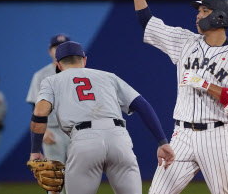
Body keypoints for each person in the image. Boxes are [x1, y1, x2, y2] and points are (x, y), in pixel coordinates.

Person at [129, 0, 228, 194]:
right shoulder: (186, 42)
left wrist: (214, 90)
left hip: (217, 136)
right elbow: (148, 23)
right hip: (182, 135)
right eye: (199, 11)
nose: (198, 15)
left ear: (220, 17)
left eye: (204, 10)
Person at [28, 41, 175, 194]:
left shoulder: (51, 81)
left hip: (84, 141)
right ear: (84, 60)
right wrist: (162, 141)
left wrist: (35, 151)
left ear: (58, 65)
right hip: (119, 139)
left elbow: (40, 112)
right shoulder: (108, 77)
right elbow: (142, 105)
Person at [26, 33, 71, 194]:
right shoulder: (40, 75)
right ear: (49, 51)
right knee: (53, 177)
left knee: (76, 177)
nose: (59, 50)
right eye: (55, 47)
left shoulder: (78, 74)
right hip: (52, 130)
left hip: (75, 130)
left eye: (63, 47)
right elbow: (35, 107)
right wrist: (42, 132)